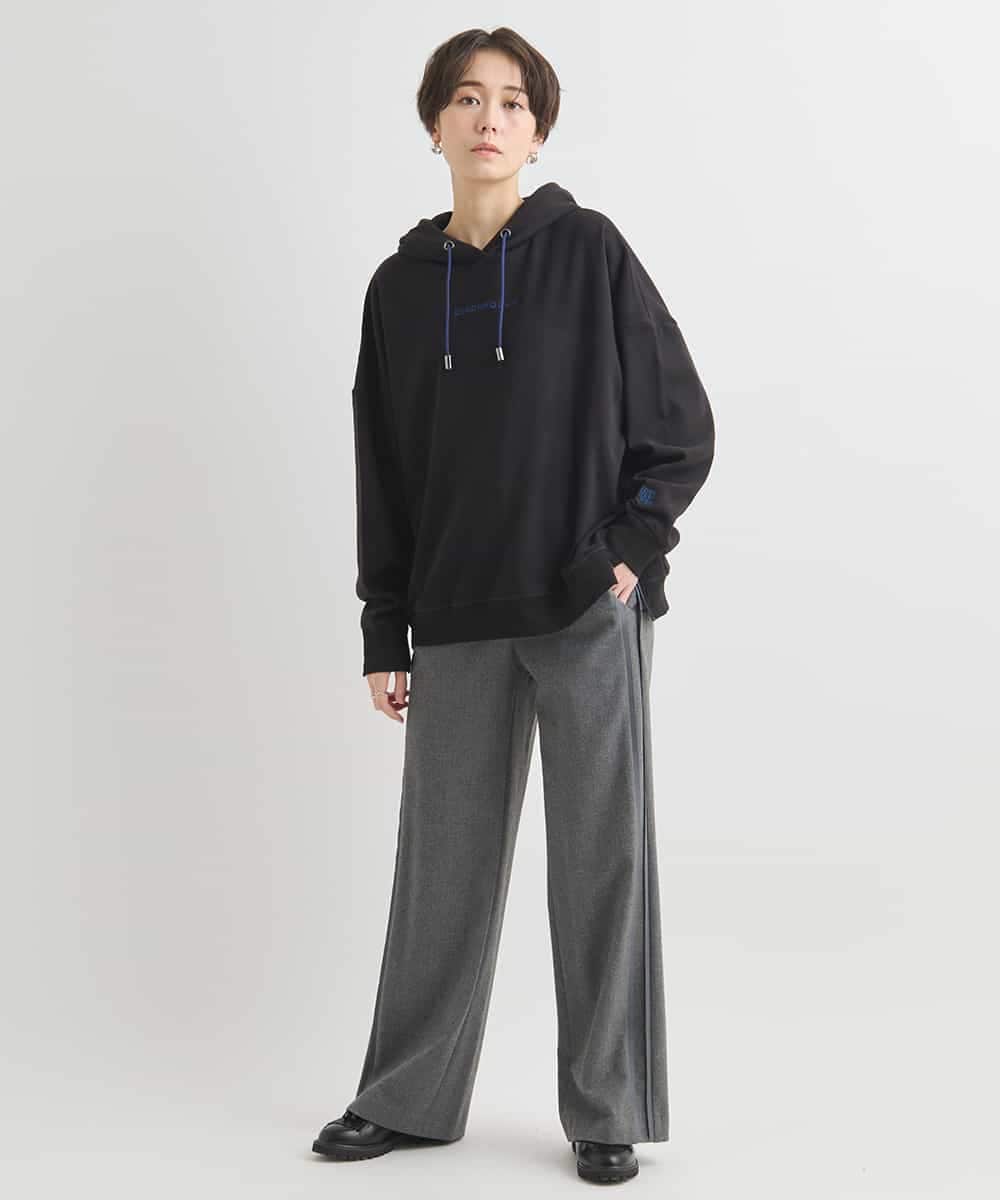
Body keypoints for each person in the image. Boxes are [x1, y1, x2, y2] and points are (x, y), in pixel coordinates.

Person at [311, 26, 715, 1185]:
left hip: (584, 609)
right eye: (467, 99)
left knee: (600, 866)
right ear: (434, 123)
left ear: (537, 131)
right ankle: (405, 1097)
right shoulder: (399, 289)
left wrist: (628, 550)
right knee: (439, 872)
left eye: (512, 102)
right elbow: (385, 469)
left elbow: (680, 425)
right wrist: (384, 626)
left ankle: (608, 1108)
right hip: (454, 615)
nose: (489, 119)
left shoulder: (587, 252)